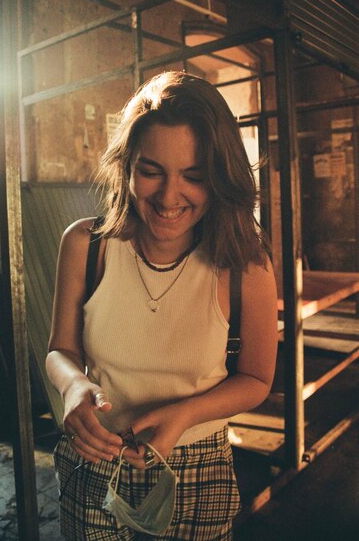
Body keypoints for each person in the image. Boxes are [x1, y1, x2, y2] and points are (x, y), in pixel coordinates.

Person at [46, 71, 278, 540]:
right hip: (94, 458)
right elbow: (60, 352)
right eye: (151, 171)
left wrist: (186, 415)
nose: (170, 196)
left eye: (193, 176)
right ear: (126, 166)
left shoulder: (244, 264)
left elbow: (256, 379)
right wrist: (72, 388)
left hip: (199, 467)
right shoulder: (85, 245)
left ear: (219, 177)